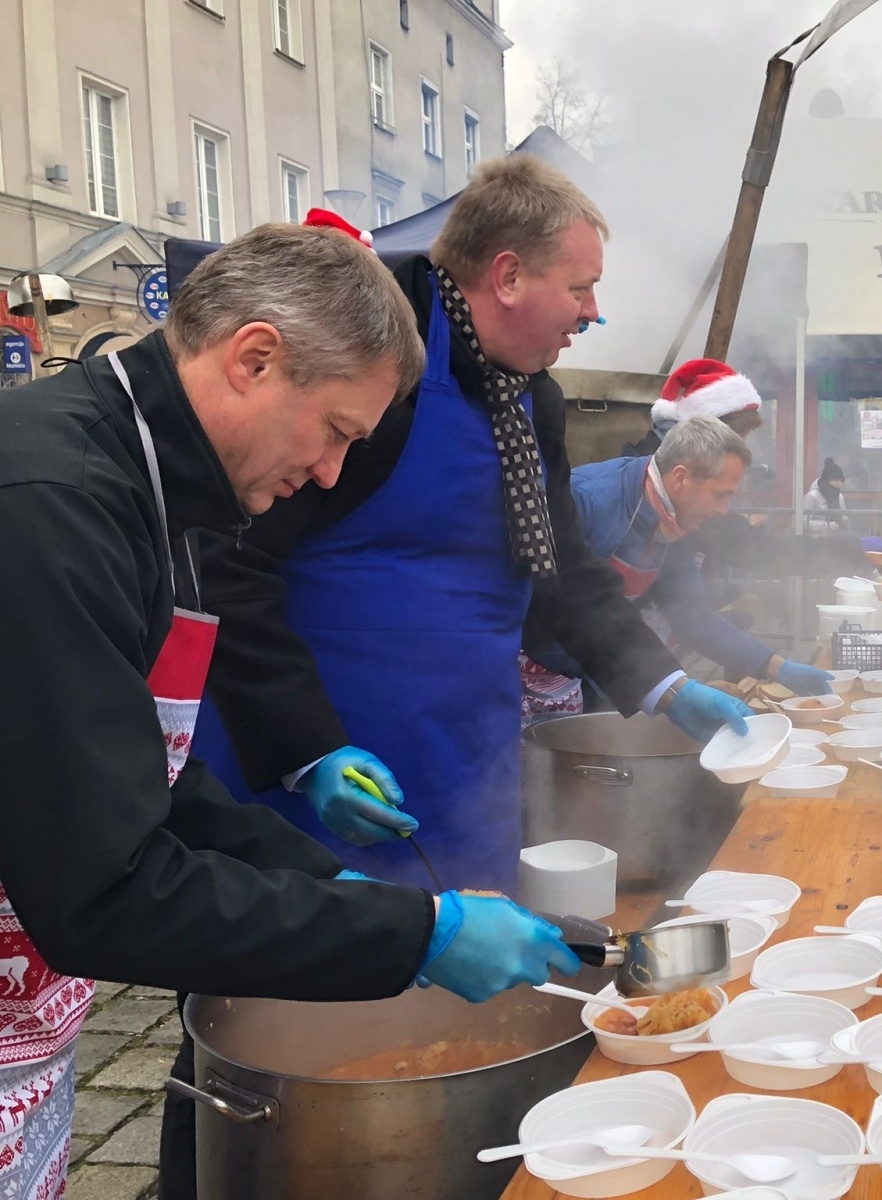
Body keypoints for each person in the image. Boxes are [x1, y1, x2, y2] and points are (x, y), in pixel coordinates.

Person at [0, 226, 586, 1200]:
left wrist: (346, 880)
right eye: (338, 433)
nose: (328, 476)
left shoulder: (160, 490)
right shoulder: (49, 508)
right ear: (254, 358)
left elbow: (141, 772)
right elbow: (104, 890)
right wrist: (415, 939)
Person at [194, 158, 751, 898]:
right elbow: (227, 562)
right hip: (325, 774)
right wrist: (308, 750)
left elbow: (561, 573)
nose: (592, 313)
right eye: (581, 288)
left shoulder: (533, 400)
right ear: (510, 276)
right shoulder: (368, 365)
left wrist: (665, 686)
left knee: (465, 980)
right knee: (316, 985)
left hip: (466, 765)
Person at [536, 416, 834, 696]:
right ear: (680, 478)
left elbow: (692, 617)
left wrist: (776, 667)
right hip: (531, 670)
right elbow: (550, 607)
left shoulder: (673, 522)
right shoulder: (587, 500)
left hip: (593, 672)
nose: (724, 511)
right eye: (721, 495)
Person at [621, 356, 764, 458]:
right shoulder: (649, 466)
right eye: (739, 436)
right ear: (710, 427)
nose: (743, 445)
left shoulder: (694, 459)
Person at [804, 456, 849, 533]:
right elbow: (803, 522)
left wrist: (843, 523)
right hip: (815, 539)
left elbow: (844, 517)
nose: (839, 484)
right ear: (827, 480)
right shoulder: (812, 496)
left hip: (836, 538)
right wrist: (826, 526)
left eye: (841, 481)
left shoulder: (839, 496)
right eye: (836, 480)